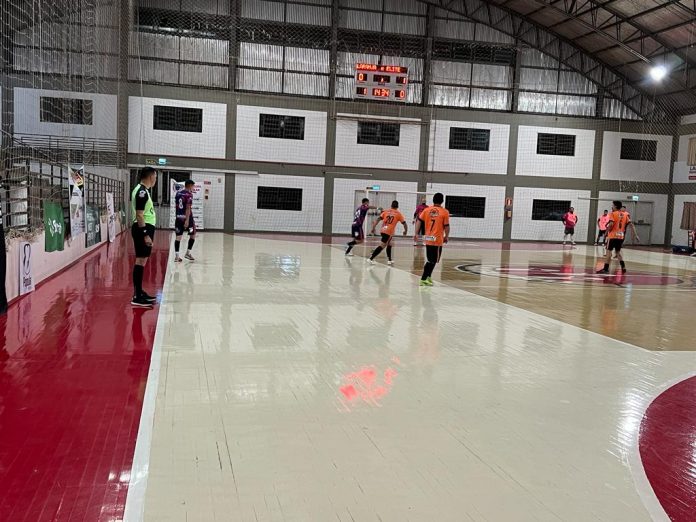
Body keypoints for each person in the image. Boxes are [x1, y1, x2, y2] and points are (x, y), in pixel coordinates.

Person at [130, 167, 158, 307]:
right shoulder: (141, 192)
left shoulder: (143, 190)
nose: (155, 180)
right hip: (142, 228)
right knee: (140, 261)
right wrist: (145, 234)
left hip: (144, 227)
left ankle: (140, 292)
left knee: (142, 260)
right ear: (151, 177)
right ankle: (137, 296)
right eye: (155, 177)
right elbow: (139, 214)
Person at [417, 193, 450, 287]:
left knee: (431, 260)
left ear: (433, 200)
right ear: (442, 201)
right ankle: (423, 279)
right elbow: (446, 226)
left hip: (428, 238)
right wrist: (446, 236)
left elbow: (419, 221)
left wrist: (416, 233)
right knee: (432, 261)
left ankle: (428, 277)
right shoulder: (445, 212)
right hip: (437, 239)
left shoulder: (426, 210)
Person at [597, 200, 635, 275]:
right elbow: (631, 225)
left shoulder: (613, 214)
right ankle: (623, 267)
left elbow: (611, 224)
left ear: (615, 206)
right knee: (618, 252)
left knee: (608, 252)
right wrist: (634, 234)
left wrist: (606, 232)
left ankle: (605, 269)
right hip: (620, 236)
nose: (612, 207)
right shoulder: (625, 215)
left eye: (613, 205)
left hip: (612, 236)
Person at [368, 200, 408, 265]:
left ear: (391, 205)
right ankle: (371, 258)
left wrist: (373, 228)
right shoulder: (398, 214)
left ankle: (389, 260)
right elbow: (404, 224)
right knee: (382, 245)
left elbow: (378, 219)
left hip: (383, 230)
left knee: (390, 244)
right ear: (397, 206)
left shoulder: (386, 211)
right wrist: (405, 231)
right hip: (388, 232)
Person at [174, 180, 197, 262]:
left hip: (179, 218)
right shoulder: (189, 195)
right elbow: (187, 208)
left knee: (178, 236)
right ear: (190, 185)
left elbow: (177, 206)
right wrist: (187, 220)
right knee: (193, 234)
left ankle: (177, 257)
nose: (193, 188)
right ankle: (188, 253)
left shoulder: (178, 193)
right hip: (187, 219)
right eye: (193, 186)